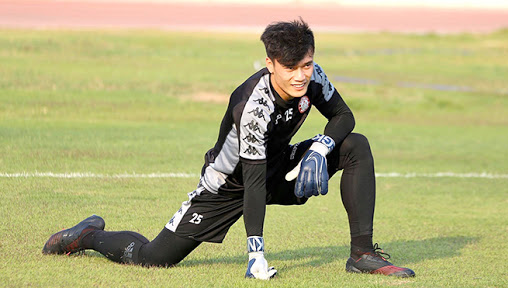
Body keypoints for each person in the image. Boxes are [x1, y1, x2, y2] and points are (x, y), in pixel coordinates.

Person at [42, 19, 415, 279]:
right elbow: (251, 182)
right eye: (290, 67)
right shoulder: (251, 107)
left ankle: (362, 254)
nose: (301, 75)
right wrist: (256, 253)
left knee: (355, 146)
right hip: (229, 185)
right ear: (269, 63)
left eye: (307, 63)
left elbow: (344, 116)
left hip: (279, 166)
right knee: (153, 259)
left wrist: (321, 146)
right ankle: (85, 235)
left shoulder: (312, 77)